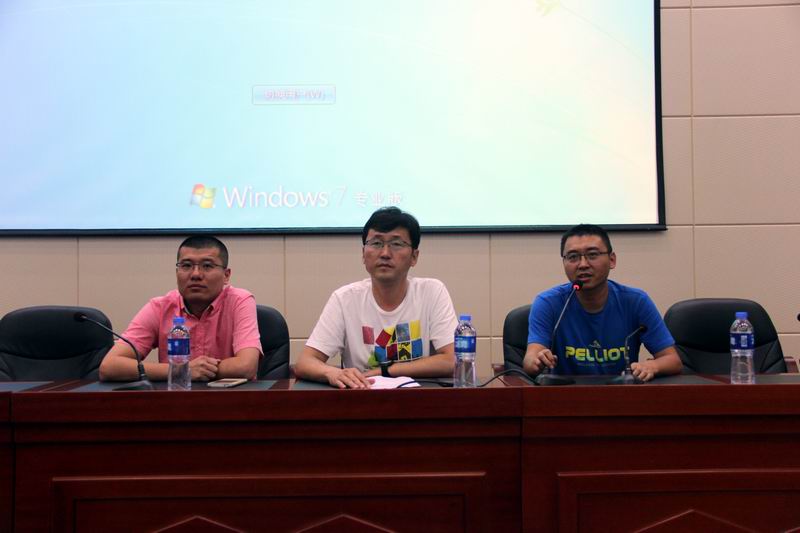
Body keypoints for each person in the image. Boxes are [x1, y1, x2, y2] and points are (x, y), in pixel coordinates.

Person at [295, 207, 458, 389]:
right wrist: (332, 373)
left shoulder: (431, 292)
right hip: (362, 399)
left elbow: (454, 359)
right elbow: (305, 362)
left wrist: (386, 371)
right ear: (363, 254)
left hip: (419, 399)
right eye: (376, 243)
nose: (385, 253)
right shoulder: (345, 299)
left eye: (396, 244)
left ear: (414, 256)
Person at [523, 224, 682, 382]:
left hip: (621, 394)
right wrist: (537, 360)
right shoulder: (548, 303)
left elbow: (672, 360)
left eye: (592, 255)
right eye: (573, 257)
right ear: (563, 262)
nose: (583, 264)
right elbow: (530, 359)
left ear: (612, 260)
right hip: (565, 394)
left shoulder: (636, 301)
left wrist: (652, 366)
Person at [99, 235, 261, 382]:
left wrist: (198, 370)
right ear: (177, 272)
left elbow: (246, 367)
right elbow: (109, 366)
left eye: (207, 266)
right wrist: (181, 370)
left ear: (226, 275)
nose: (196, 274)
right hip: (175, 399)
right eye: (186, 265)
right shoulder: (160, 307)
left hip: (230, 400)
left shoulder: (239, 301)